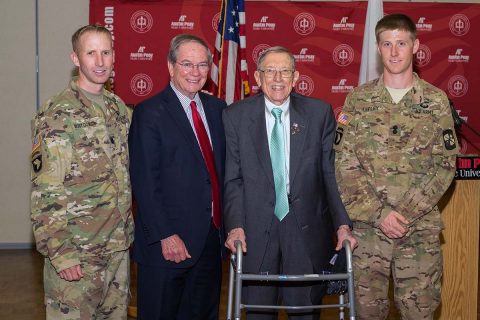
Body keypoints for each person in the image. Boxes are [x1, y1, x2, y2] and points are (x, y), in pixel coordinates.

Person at [334, 14, 459, 320]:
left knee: (420, 313)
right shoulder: (358, 101)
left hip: (418, 234)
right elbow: (344, 164)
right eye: (387, 44)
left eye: (401, 43)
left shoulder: (435, 101)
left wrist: (403, 214)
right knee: (366, 314)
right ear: (378, 48)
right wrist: (381, 215)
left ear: (415, 46)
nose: (394, 52)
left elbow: (445, 165)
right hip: (368, 235)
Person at [223, 46, 357, 319]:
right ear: (258, 78)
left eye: (285, 71)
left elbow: (328, 174)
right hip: (255, 232)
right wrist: (235, 226)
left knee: (305, 311)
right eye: (270, 71)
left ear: (296, 78)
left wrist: (342, 225)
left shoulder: (319, 114)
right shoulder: (235, 116)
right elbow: (233, 179)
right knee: (259, 312)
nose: (277, 78)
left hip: (305, 230)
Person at [30, 24, 133, 319]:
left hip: (116, 250)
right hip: (78, 254)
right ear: (76, 59)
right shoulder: (56, 114)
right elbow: (46, 190)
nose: (99, 62)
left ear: (114, 56)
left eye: (105, 52)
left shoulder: (118, 110)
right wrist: (61, 253)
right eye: (91, 53)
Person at [128, 34, 226, 320]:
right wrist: (165, 235)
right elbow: (145, 181)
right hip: (167, 245)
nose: (195, 72)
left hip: (209, 241)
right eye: (187, 64)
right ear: (171, 67)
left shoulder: (218, 110)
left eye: (202, 65)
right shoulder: (149, 113)